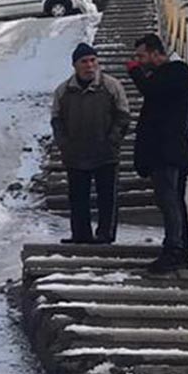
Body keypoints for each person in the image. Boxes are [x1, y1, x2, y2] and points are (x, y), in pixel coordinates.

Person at [130, 33, 188, 274]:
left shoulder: (174, 73)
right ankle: (181, 249)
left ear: (155, 53)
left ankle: (175, 249)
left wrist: (136, 73)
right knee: (172, 201)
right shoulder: (167, 79)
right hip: (166, 151)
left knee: (170, 202)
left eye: (141, 56)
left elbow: (151, 90)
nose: (137, 61)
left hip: (168, 151)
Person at [51, 42, 131, 245]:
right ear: (75, 65)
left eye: (93, 60)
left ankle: (105, 234)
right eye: (84, 61)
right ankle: (80, 234)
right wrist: (64, 145)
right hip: (76, 153)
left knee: (107, 197)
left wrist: (112, 140)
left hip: (105, 152)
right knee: (78, 198)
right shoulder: (63, 91)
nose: (89, 65)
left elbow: (123, 116)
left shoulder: (111, 85)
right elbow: (57, 120)